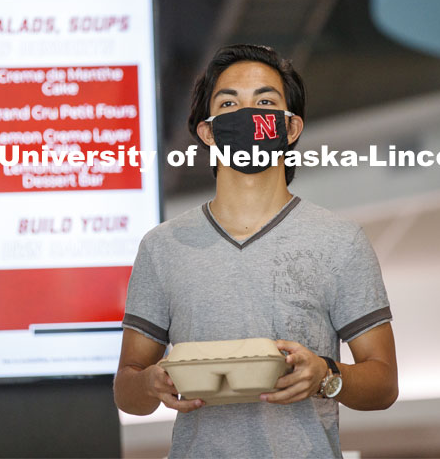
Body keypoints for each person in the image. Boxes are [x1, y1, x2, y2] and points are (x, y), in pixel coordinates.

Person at [113, 44, 397, 458]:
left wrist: (326, 375)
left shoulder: (340, 240)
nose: (248, 114)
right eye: (229, 103)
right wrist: (150, 383)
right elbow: (127, 388)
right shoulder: (162, 247)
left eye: (265, 101)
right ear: (208, 132)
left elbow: (384, 383)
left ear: (290, 128)